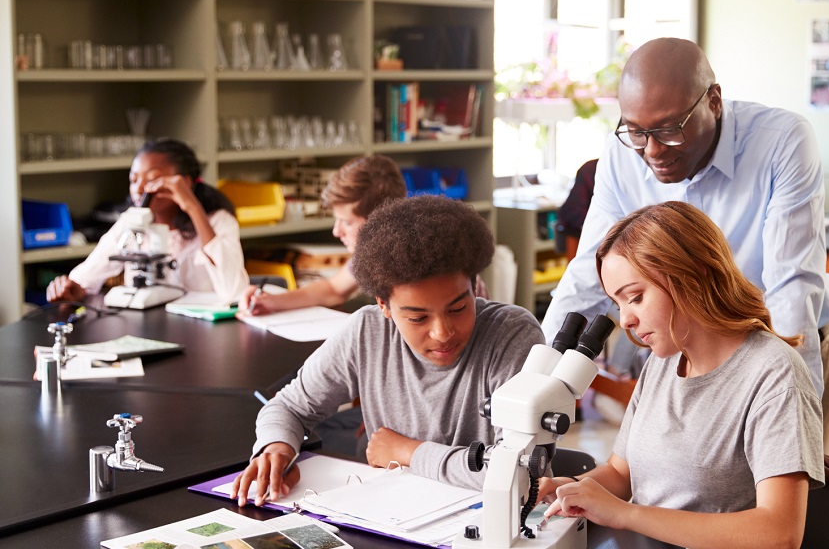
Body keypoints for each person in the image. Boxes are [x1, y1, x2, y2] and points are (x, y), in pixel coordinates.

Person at [540, 38, 829, 475]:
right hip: (684, 352)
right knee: (687, 493)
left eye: (670, 129)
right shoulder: (622, 155)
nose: (652, 150)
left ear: (715, 101)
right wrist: (539, 378)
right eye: (637, 131)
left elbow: (790, 290)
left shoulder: (782, 141)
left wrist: (797, 419)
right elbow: (586, 277)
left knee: (785, 504)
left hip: (781, 347)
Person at [538, 202, 825, 549]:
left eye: (636, 297)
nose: (625, 319)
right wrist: (569, 490)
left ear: (693, 274)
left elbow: (777, 539)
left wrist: (625, 515)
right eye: (617, 303)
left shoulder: (774, 373)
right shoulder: (663, 360)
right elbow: (621, 473)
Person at [232, 195, 544, 505]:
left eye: (458, 308)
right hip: (392, 517)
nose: (442, 332)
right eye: (417, 317)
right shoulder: (366, 331)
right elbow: (290, 407)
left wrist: (408, 451)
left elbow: (518, 475)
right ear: (384, 305)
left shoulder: (512, 336)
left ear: (474, 286)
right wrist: (276, 447)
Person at [46, 138, 248, 305]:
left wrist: (193, 207)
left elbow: (234, 291)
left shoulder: (219, 222)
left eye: (152, 180)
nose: (139, 189)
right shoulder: (131, 223)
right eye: (134, 180)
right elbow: (87, 277)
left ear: (185, 183)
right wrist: (71, 288)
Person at [238, 155, 406, 315]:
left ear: (380, 221)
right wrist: (270, 301)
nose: (336, 231)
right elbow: (333, 289)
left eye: (346, 222)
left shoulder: (409, 261)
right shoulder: (370, 254)